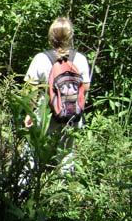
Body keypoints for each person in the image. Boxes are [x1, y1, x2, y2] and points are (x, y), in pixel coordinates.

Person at [23, 17, 91, 174]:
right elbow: (85, 86)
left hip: (45, 113)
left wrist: (29, 113)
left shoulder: (41, 58)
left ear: (51, 36)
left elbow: (30, 89)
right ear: (70, 36)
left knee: (32, 150)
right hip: (72, 113)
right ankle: (65, 191)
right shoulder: (80, 58)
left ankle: (23, 188)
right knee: (66, 154)